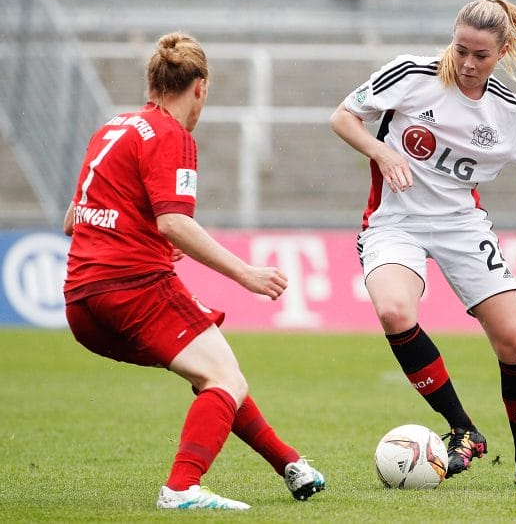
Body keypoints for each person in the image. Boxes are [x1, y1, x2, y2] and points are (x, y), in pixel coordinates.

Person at [330, 0, 516, 489]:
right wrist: (378, 148)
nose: (465, 63)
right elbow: (342, 117)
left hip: (463, 226)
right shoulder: (412, 76)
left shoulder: (511, 115)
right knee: (395, 311)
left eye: (480, 54)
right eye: (460, 49)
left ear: (501, 52)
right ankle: (463, 429)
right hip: (395, 222)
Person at [63, 32, 326, 510]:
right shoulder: (173, 135)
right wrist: (246, 273)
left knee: (215, 374)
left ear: (153, 82)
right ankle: (181, 487)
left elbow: (72, 219)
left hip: (82, 302)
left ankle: (291, 464)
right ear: (200, 87)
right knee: (223, 378)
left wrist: (143, 233)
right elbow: (174, 221)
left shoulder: (113, 128)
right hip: (134, 289)